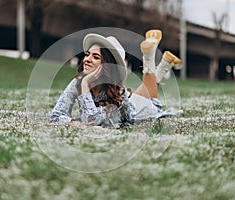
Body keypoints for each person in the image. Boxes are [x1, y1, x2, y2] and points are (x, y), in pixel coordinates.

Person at [49, 30, 181, 128]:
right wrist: (73, 122)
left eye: (95, 57)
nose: (87, 59)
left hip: (141, 111)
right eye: (87, 54)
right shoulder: (76, 84)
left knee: (152, 101)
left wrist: (85, 84)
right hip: (131, 98)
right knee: (138, 93)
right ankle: (163, 64)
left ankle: (150, 58)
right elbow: (55, 115)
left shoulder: (116, 93)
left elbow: (91, 121)